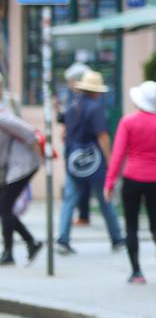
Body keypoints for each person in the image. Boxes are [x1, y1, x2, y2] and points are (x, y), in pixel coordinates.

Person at [104, 80, 156, 284]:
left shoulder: (128, 122)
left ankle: (137, 273)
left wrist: (109, 183)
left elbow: (118, 154)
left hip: (133, 178)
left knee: (131, 227)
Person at [55, 69, 125, 255]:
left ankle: (63, 239)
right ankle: (117, 238)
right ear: (95, 91)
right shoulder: (95, 108)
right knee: (105, 200)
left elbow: (65, 129)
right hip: (94, 161)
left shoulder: (72, 106)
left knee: (70, 200)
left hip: (73, 160)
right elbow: (102, 136)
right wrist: (111, 161)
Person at [0, 94, 43, 265]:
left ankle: (9, 252)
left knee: (4, 208)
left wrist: (40, 159)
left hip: (22, 166)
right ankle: (31, 242)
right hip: (14, 166)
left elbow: (31, 132)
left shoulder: (2, 116)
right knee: (3, 207)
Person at [60, 61, 93, 226]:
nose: (69, 84)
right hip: (74, 146)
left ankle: (83, 215)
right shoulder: (74, 98)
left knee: (78, 186)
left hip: (81, 149)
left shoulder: (84, 100)